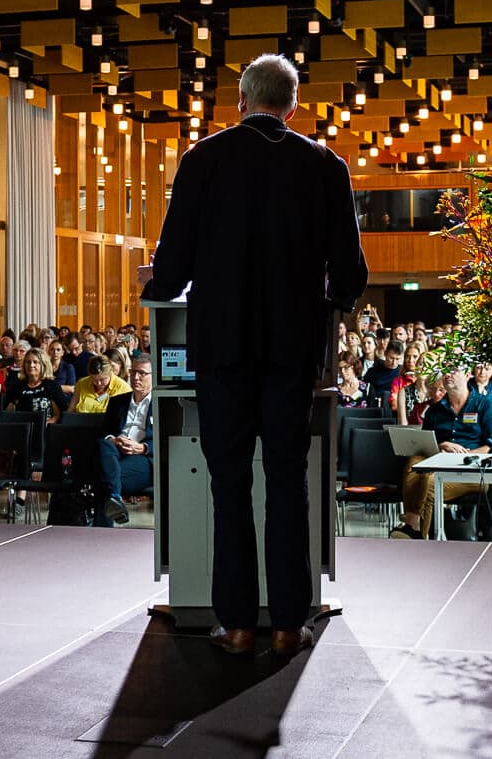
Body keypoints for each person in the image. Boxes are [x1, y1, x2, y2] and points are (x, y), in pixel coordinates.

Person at [141, 53, 367, 658]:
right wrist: (332, 301)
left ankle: (238, 624)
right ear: (293, 107)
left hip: (222, 350)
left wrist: (155, 291)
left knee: (229, 484)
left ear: (240, 102)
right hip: (292, 352)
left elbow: (174, 262)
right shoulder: (326, 166)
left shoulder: (203, 160)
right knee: (288, 483)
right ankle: (290, 624)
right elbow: (351, 271)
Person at [391, 365, 492, 539]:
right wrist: (442, 445)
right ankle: (414, 524)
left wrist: (466, 455)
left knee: (430, 481)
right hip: (439, 463)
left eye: (454, 371)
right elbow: (426, 443)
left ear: (467, 375)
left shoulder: (485, 404)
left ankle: (418, 534)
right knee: (416, 460)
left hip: (473, 471)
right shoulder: (435, 410)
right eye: (446, 371)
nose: (447, 374)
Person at [96, 354, 155, 526]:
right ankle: (115, 498)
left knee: (102, 477)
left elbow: (167, 439)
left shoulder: (161, 404)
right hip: (115, 453)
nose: (136, 377)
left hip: (143, 458)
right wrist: (114, 439)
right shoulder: (117, 402)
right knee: (104, 443)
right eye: (133, 372)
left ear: (153, 376)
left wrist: (142, 447)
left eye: (142, 373)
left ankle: (101, 530)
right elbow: (104, 433)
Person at [5, 349, 68, 424]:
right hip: (21, 429)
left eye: (35, 362)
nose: (31, 365)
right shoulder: (17, 386)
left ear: (43, 364)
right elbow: (8, 413)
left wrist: (43, 426)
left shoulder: (52, 386)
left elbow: (59, 414)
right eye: (28, 362)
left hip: (46, 429)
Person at [362, 339, 404, 404]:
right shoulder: (373, 371)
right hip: (375, 406)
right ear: (385, 354)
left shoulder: (403, 372)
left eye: (397, 359)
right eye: (391, 358)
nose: (394, 362)